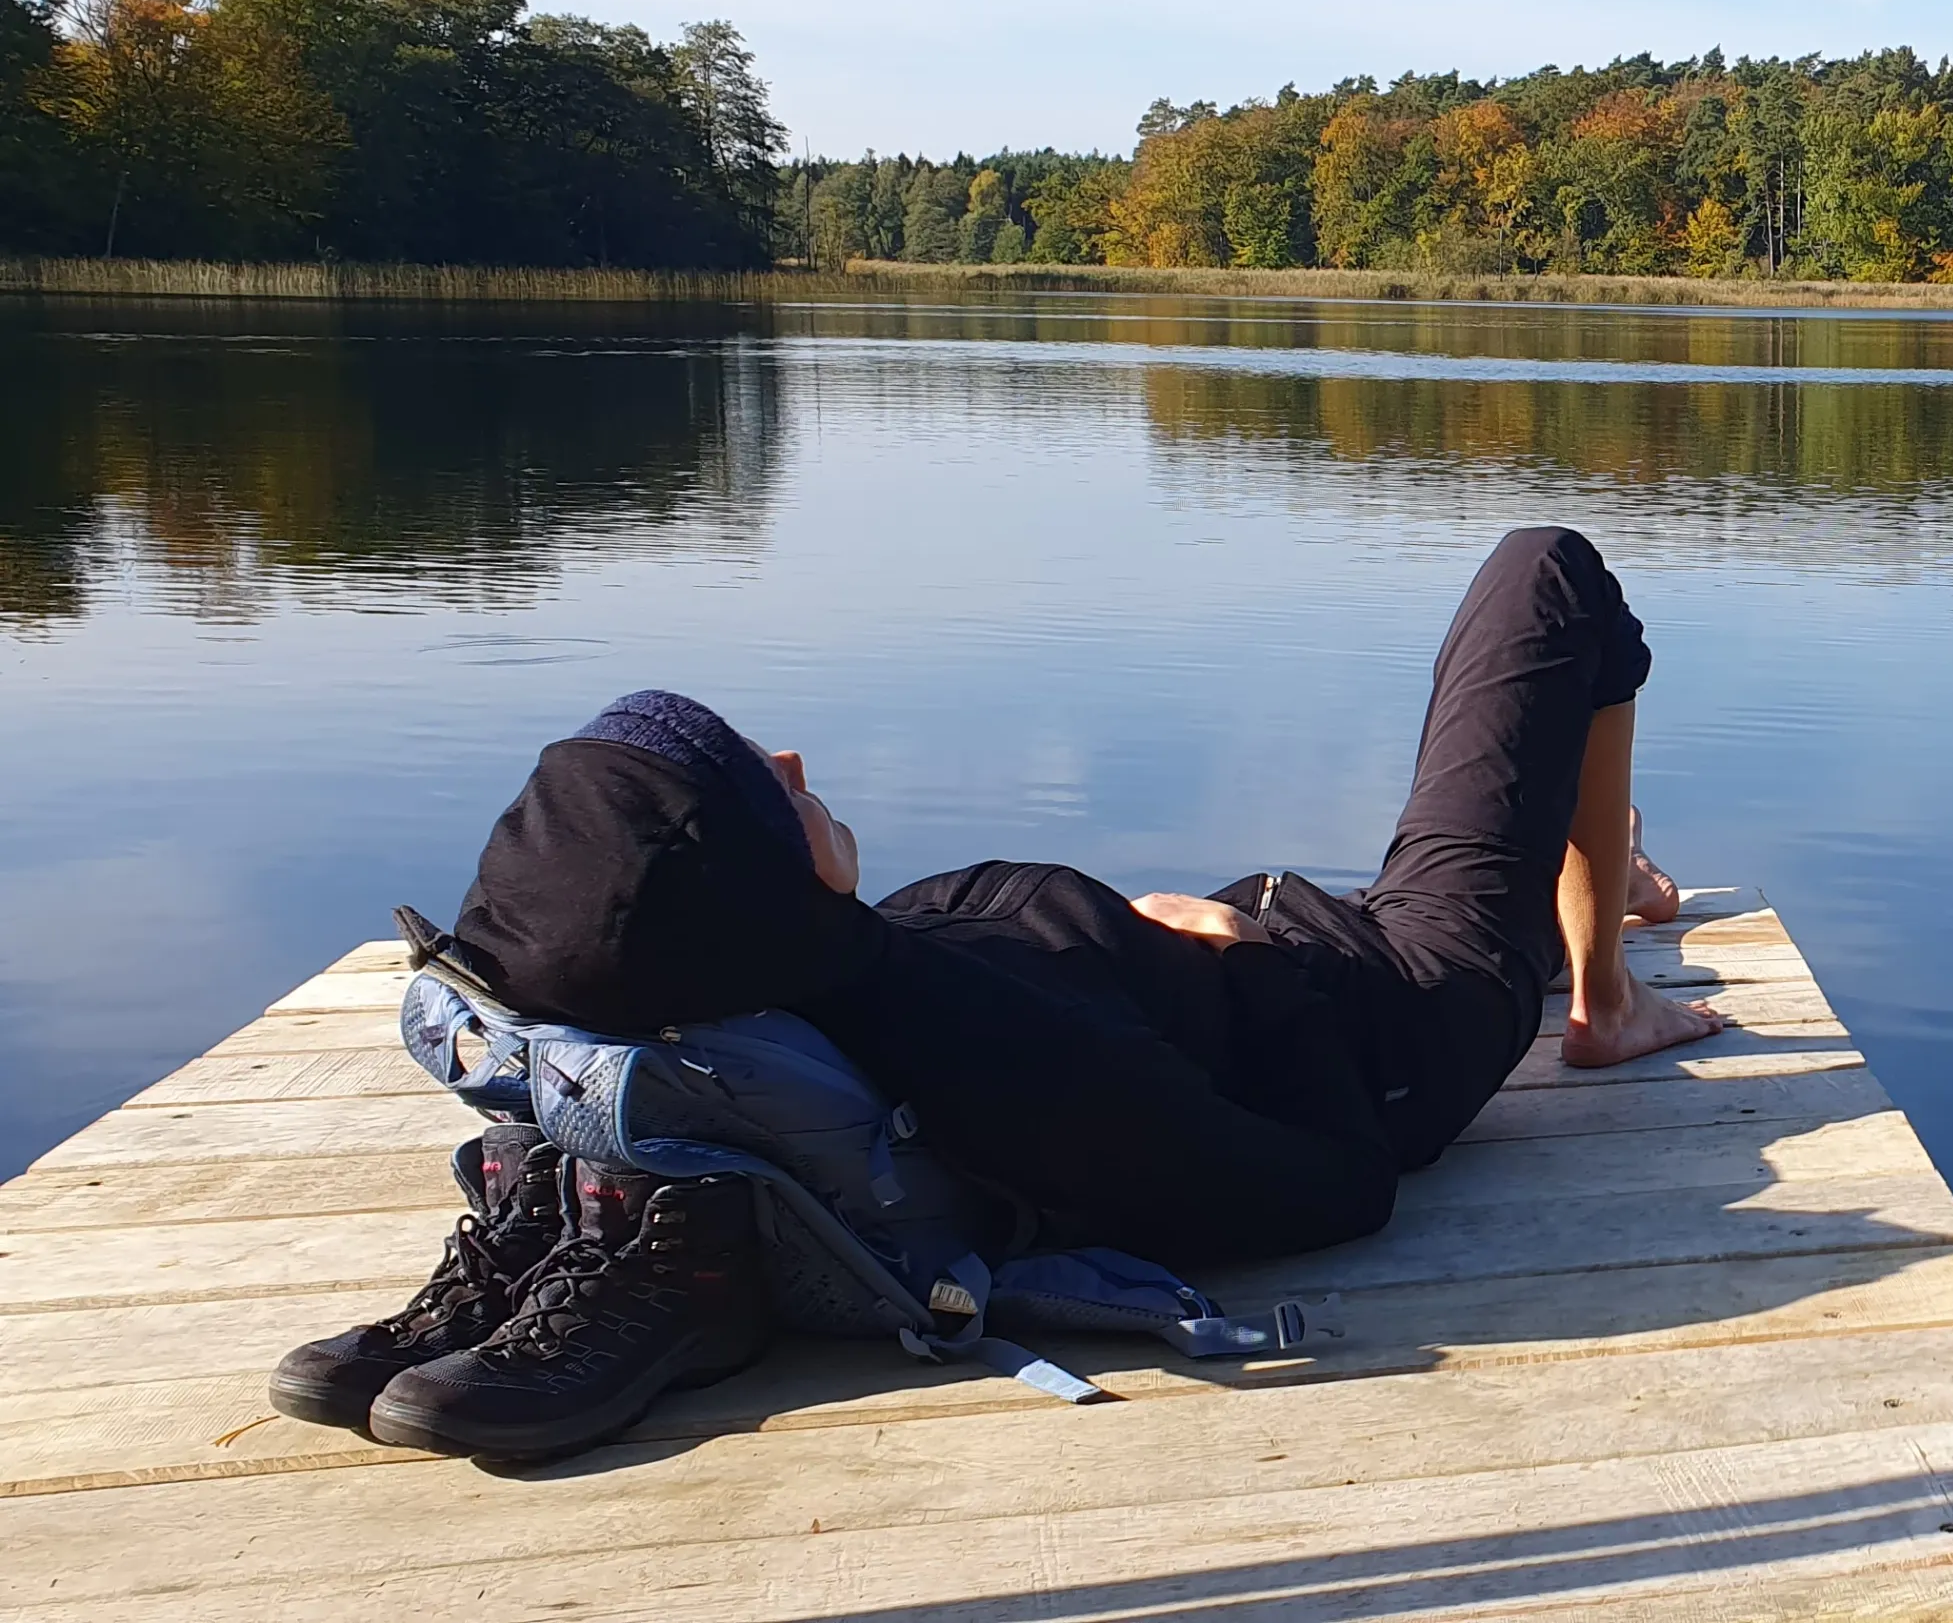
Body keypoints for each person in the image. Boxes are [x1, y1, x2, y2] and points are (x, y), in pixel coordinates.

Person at [268, 526, 1724, 1458]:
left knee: (1524, 795)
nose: (786, 762)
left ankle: (1615, 881)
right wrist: (1237, 978)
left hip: (1231, 963)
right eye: (756, 790)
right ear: (771, 896)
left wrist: (1135, 950)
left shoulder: (774, 990)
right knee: (1551, 575)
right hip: (1388, 1008)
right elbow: (1326, 1190)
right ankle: (1603, 995)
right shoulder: (980, 1043)